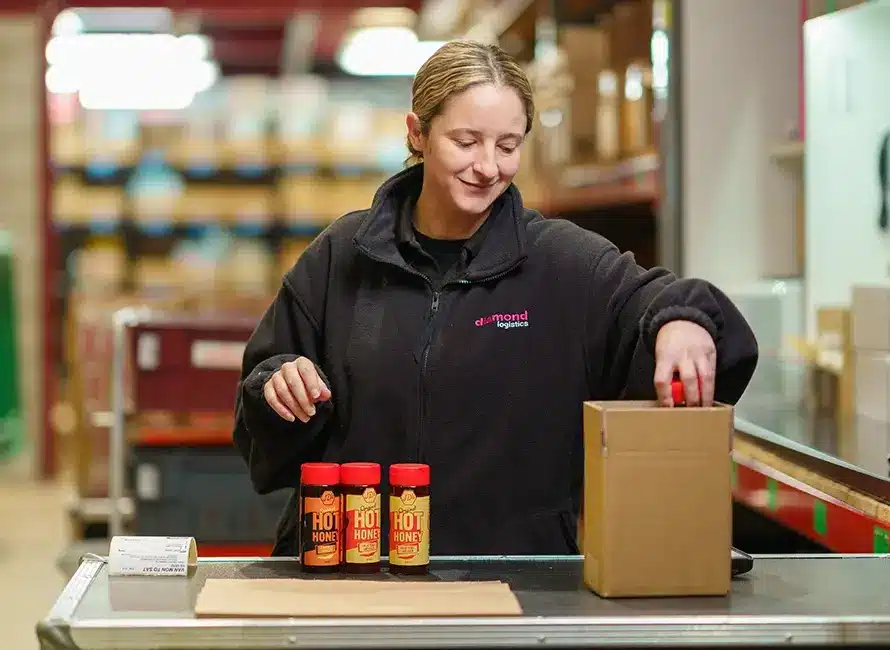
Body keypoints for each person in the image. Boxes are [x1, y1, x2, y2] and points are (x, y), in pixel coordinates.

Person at [234, 40, 758, 557]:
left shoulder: (563, 261)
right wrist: (278, 384)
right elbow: (263, 394)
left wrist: (682, 320)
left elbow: (663, 300)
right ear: (417, 133)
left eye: (507, 146)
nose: (488, 167)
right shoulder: (342, 255)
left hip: (515, 581)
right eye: (466, 141)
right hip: (352, 570)